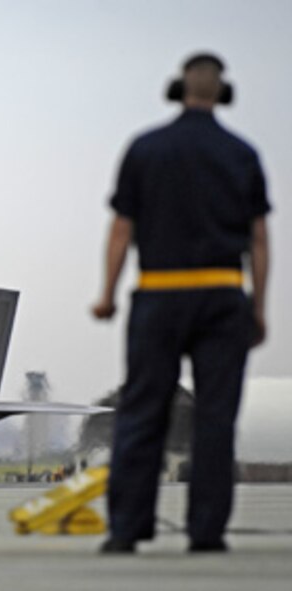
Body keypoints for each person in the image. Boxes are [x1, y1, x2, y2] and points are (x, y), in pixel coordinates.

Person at [92, 52, 271, 554]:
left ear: (177, 89)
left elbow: (121, 229)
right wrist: (258, 306)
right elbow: (258, 239)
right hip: (221, 295)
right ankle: (206, 532)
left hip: (158, 293)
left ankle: (126, 530)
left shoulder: (145, 148)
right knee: (215, 417)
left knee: (142, 412)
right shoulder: (242, 154)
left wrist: (107, 294)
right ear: (223, 92)